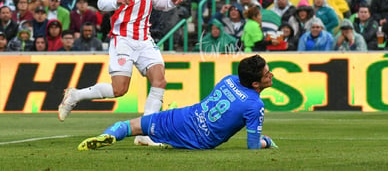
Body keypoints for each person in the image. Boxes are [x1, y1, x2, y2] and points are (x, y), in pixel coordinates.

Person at [58, 0, 183, 147]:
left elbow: (158, 2)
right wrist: (117, 1)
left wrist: (171, 1)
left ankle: (145, 133)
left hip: (144, 36)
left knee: (159, 80)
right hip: (122, 36)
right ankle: (75, 95)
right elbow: (101, 3)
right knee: (119, 90)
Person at [78, 54, 277, 150]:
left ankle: (108, 135)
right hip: (198, 141)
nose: (271, 75)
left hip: (183, 117)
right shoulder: (255, 105)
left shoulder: (229, 79)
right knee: (168, 142)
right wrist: (266, 142)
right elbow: (252, 146)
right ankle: (164, 142)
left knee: (129, 126)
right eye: (267, 73)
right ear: (255, 83)